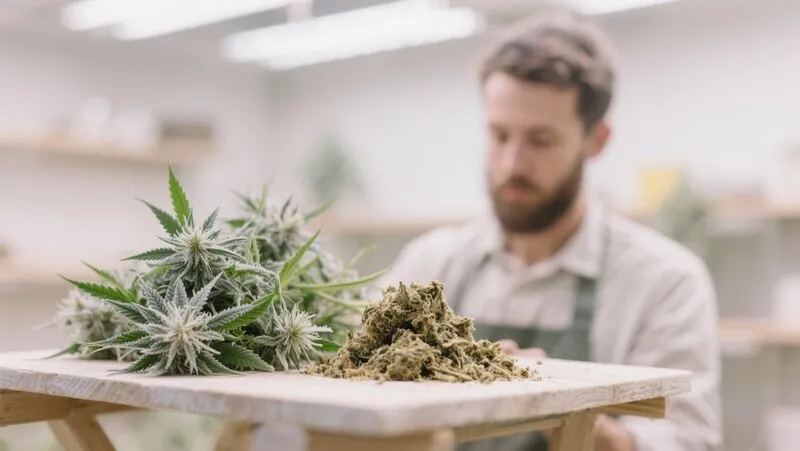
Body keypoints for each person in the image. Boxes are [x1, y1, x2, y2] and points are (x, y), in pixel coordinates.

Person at [379, 12, 722, 451]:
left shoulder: (664, 282)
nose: (512, 165)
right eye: (499, 135)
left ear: (597, 140)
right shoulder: (428, 265)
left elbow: (689, 442)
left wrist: (566, 414)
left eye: (541, 141)